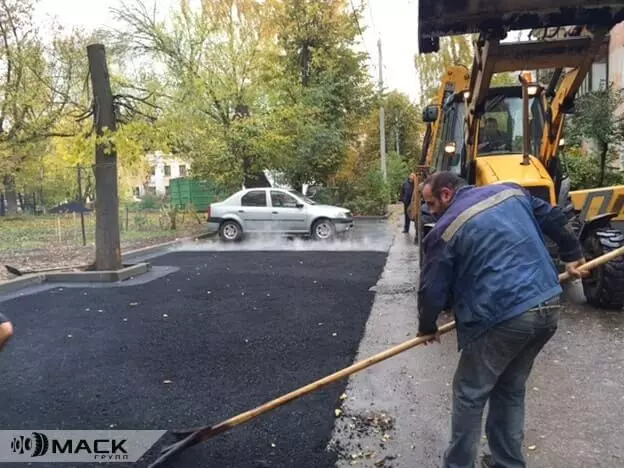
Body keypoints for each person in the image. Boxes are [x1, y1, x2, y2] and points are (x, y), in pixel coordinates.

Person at [415, 171, 587, 468]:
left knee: (470, 393)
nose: (430, 211)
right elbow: (553, 217)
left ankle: (458, 465)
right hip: (546, 304)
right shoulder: (511, 192)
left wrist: (427, 327)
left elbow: (432, 290)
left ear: (446, 194)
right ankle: (507, 463)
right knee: (510, 387)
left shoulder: (444, 229)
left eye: (431, 203)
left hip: (501, 315)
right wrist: (572, 252)